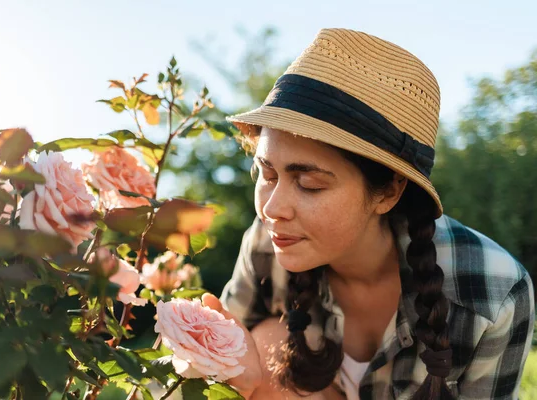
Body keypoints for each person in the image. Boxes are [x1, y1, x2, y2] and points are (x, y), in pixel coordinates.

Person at [200, 28, 535, 399]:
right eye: (267, 173)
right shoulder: (267, 244)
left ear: (389, 192)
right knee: (263, 341)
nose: (272, 209)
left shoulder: (493, 292)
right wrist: (233, 377)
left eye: (309, 184)